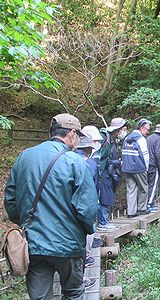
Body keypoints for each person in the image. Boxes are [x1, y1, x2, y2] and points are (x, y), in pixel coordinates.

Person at [4, 113, 98, 299]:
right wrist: (87, 230)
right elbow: (87, 209)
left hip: (35, 244)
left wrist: (27, 222)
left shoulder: (24, 158)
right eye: (78, 135)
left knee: (39, 297)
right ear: (71, 133)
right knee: (73, 293)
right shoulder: (76, 162)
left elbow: (10, 202)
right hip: (69, 244)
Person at [75, 135, 99, 289]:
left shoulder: (61, 160)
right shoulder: (89, 164)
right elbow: (92, 189)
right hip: (79, 216)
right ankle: (80, 280)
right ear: (89, 149)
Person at [97, 118, 128, 231]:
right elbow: (103, 158)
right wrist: (117, 162)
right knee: (104, 197)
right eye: (123, 129)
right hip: (103, 173)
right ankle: (102, 223)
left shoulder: (112, 139)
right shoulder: (105, 139)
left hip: (107, 173)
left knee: (107, 196)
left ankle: (103, 221)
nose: (125, 132)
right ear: (118, 129)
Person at [122, 118, 152, 217]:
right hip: (139, 167)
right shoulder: (141, 139)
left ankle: (131, 212)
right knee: (144, 188)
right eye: (147, 129)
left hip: (127, 167)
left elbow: (123, 153)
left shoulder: (127, 137)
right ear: (142, 128)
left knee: (131, 189)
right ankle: (141, 208)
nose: (148, 132)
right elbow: (145, 155)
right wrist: (146, 168)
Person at [146, 124, 160, 211]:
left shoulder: (148, 138)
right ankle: (149, 204)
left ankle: (144, 204)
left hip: (146, 164)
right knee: (153, 185)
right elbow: (158, 154)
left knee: (146, 184)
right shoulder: (159, 140)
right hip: (153, 165)